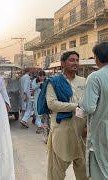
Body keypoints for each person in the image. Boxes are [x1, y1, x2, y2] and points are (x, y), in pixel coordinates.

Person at [46, 51, 87, 180]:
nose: (75, 63)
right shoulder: (54, 82)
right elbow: (52, 104)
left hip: (81, 131)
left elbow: (87, 104)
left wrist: (86, 125)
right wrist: (76, 106)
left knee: (84, 170)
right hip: (62, 130)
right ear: (63, 63)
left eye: (77, 60)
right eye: (71, 60)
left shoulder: (83, 81)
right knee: (57, 171)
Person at [80, 42, 108, 180]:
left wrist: (80, 102)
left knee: (100, 170)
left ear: (97, 58)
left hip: (101, 132)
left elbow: (88, 107)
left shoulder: (95, 77)